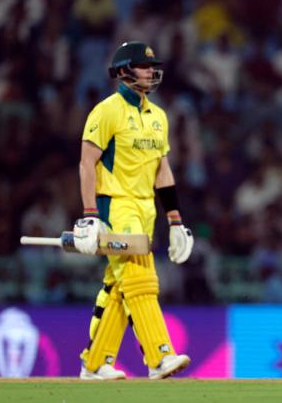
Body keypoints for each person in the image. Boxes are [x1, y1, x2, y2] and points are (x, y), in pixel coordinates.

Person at [73, 41, 194, 379]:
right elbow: (86, 164)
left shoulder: (159, 116)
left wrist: (175, 220)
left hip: (146, 209)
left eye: (154, 67)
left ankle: (95, 364)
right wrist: (90, 215)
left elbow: (162, 169)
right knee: (141, 280)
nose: (152, 72)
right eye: (144, 66)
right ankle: (159, 356)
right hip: (115, 204)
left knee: (118, 285)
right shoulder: (106, 111)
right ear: (124, 70)